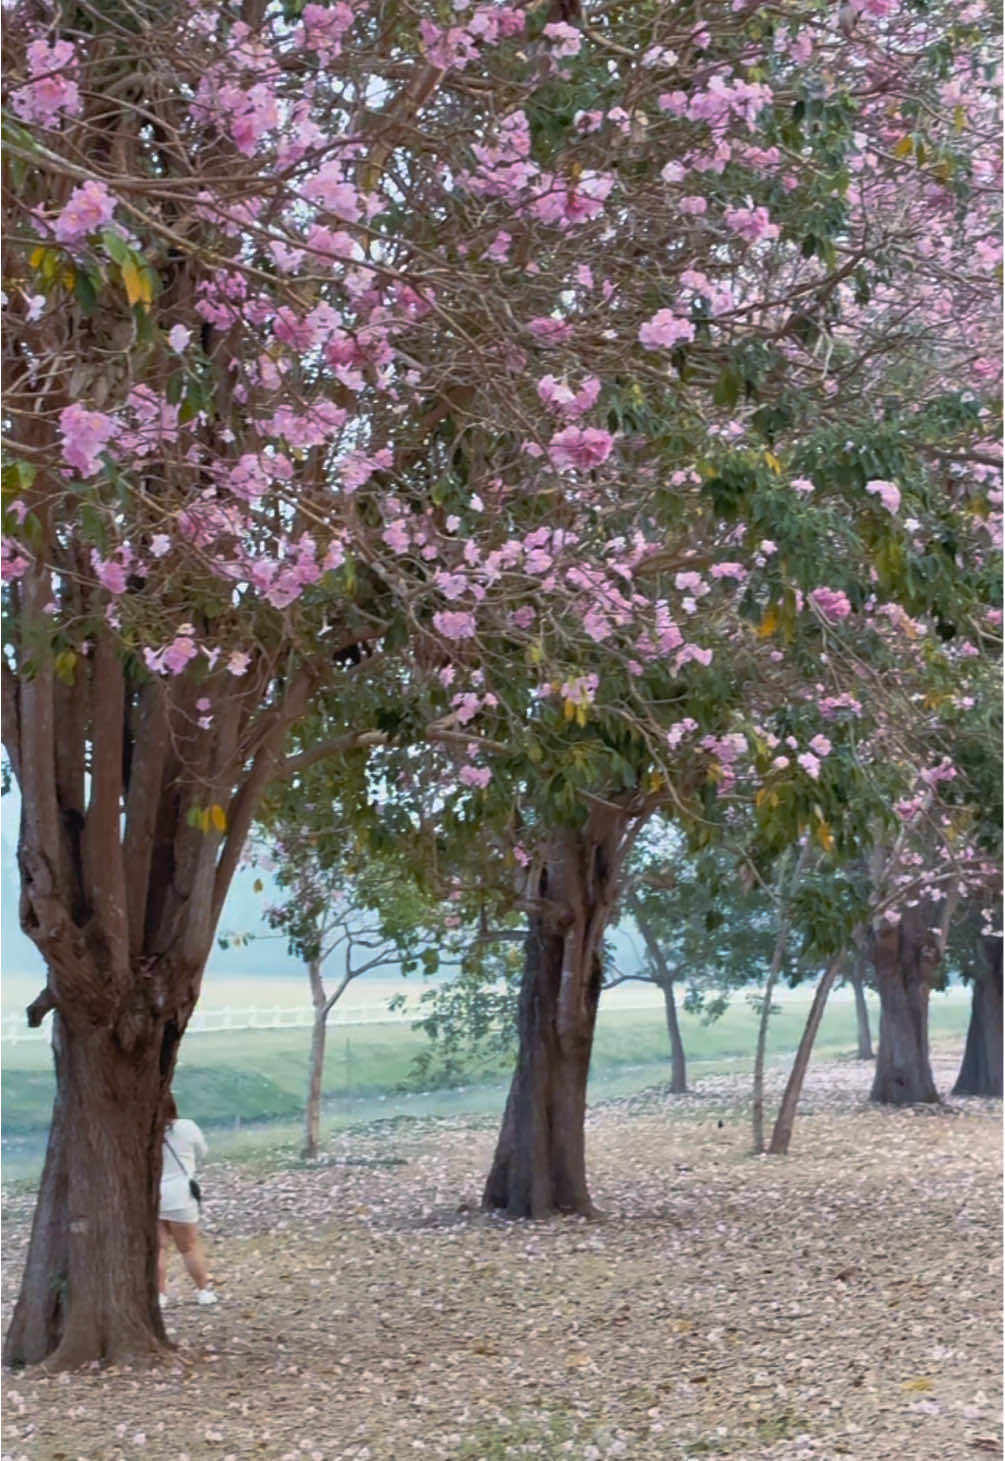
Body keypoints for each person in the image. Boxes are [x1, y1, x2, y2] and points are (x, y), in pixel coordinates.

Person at [158, 1094, 217, 1306]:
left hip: (153, 1194)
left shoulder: (142, 1130)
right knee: (189, 1247)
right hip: (181, 1193)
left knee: (158, 1248)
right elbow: (203, 1152)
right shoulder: (186, 1127)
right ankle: (203, 1291)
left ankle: (159, 1295)